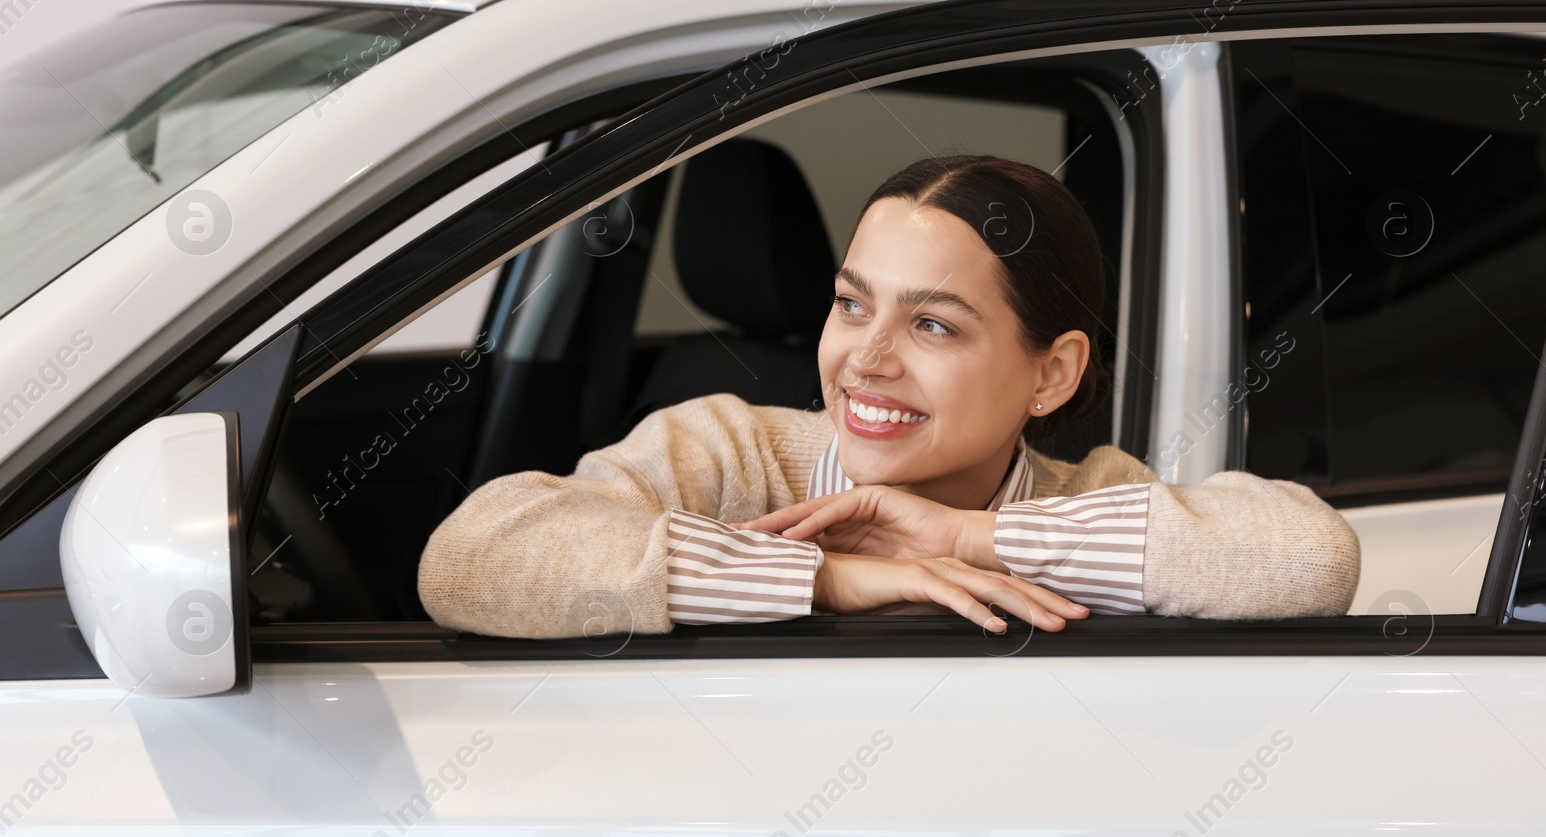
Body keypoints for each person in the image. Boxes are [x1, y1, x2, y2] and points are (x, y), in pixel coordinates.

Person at [417, 154, 1359, 639]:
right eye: (850, 304)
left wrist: (959, 540)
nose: (865, 359)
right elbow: (470, 559)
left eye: (934, 325)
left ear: (1053, 373)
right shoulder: (728, 450)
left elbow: (1311, 560)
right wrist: (822, 578)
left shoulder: (1091, 496)